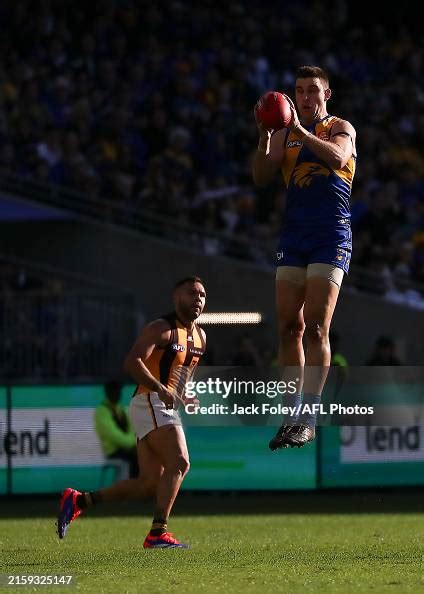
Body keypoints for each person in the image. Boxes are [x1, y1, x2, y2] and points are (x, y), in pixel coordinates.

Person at [56, 276, 207, 548]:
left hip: (160, 403)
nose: (198, 299)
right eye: (191, 293)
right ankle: (158, 533)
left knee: (148, 484)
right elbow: (132, 361)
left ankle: (78, 500)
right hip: (149, 400)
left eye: (202, 295)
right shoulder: (161, 328)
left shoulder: (200, 337)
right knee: (181, 462)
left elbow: (180, 376)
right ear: (176, 297)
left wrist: (183, 395)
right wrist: (161, 388)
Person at [252, 65, 357, 449]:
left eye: (313, 90)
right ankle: (289, 413)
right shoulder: (284, 135)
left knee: (315, 326)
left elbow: (338, 158)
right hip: (294, 235)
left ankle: (309, 416)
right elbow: (262, 176)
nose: (305, 97)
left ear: (326, 94)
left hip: (330, 234)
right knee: (287, 328)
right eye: (299, 91)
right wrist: (264, 136)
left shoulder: (340, 128)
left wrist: (298, 131)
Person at [95, 380, 138, 479]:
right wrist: (132, 445)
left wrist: (134, 446)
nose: (117, 394)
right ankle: (127, 489)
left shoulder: (121, 409)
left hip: (127, 449)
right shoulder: (102, 411)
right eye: (114, 391)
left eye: (118, 391)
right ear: (108, 392)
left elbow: (132, 429)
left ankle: (136, 488)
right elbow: (113, 435)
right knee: (135, 458)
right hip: (113, 452)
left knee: (142, 455)